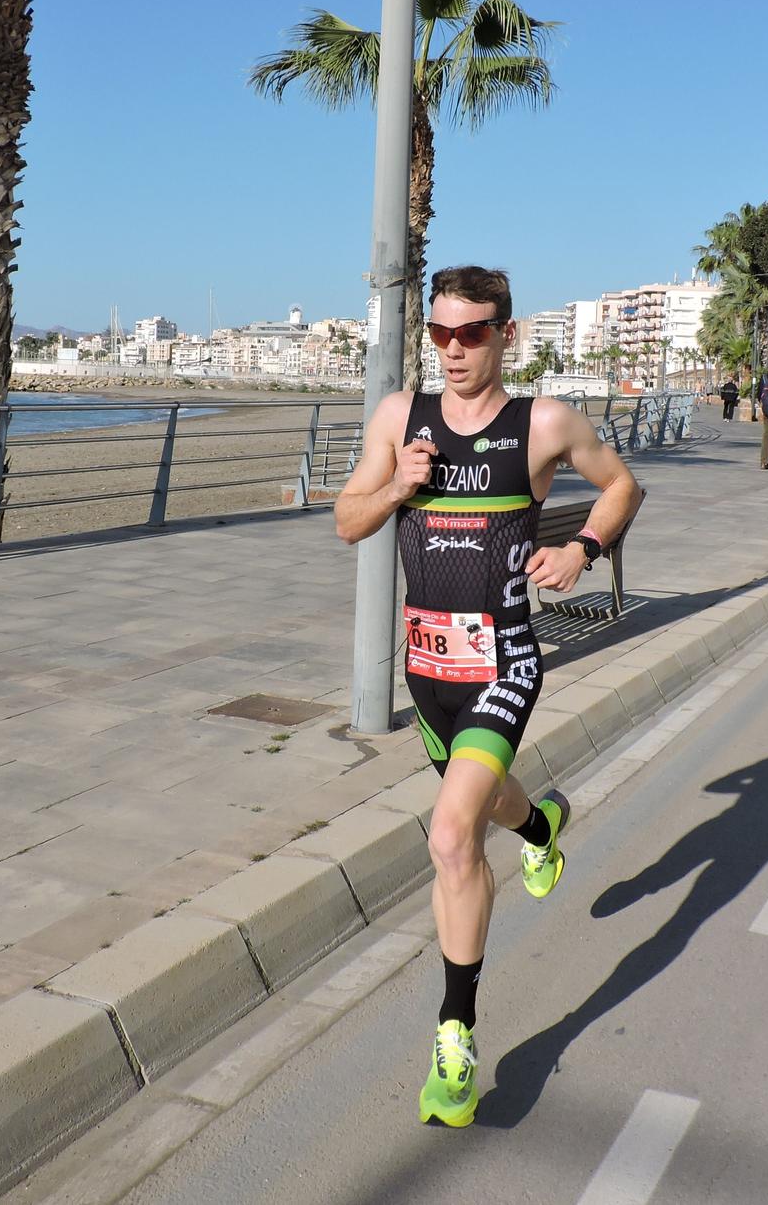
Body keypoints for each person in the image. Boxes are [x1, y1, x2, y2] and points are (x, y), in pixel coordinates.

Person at [336, 265, 641, 1127]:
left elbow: (621, 486)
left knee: (448, 834)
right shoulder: (400, 418)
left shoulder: (541, 422)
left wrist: (582, 545)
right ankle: (540, 828)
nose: (453, 350)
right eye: (440, 334)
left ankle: (455, 1036)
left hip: (505, 661)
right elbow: (347, 520)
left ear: (507, 333)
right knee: (489, 808)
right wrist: (399, 483)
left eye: (471, 333)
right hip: (427, 673)